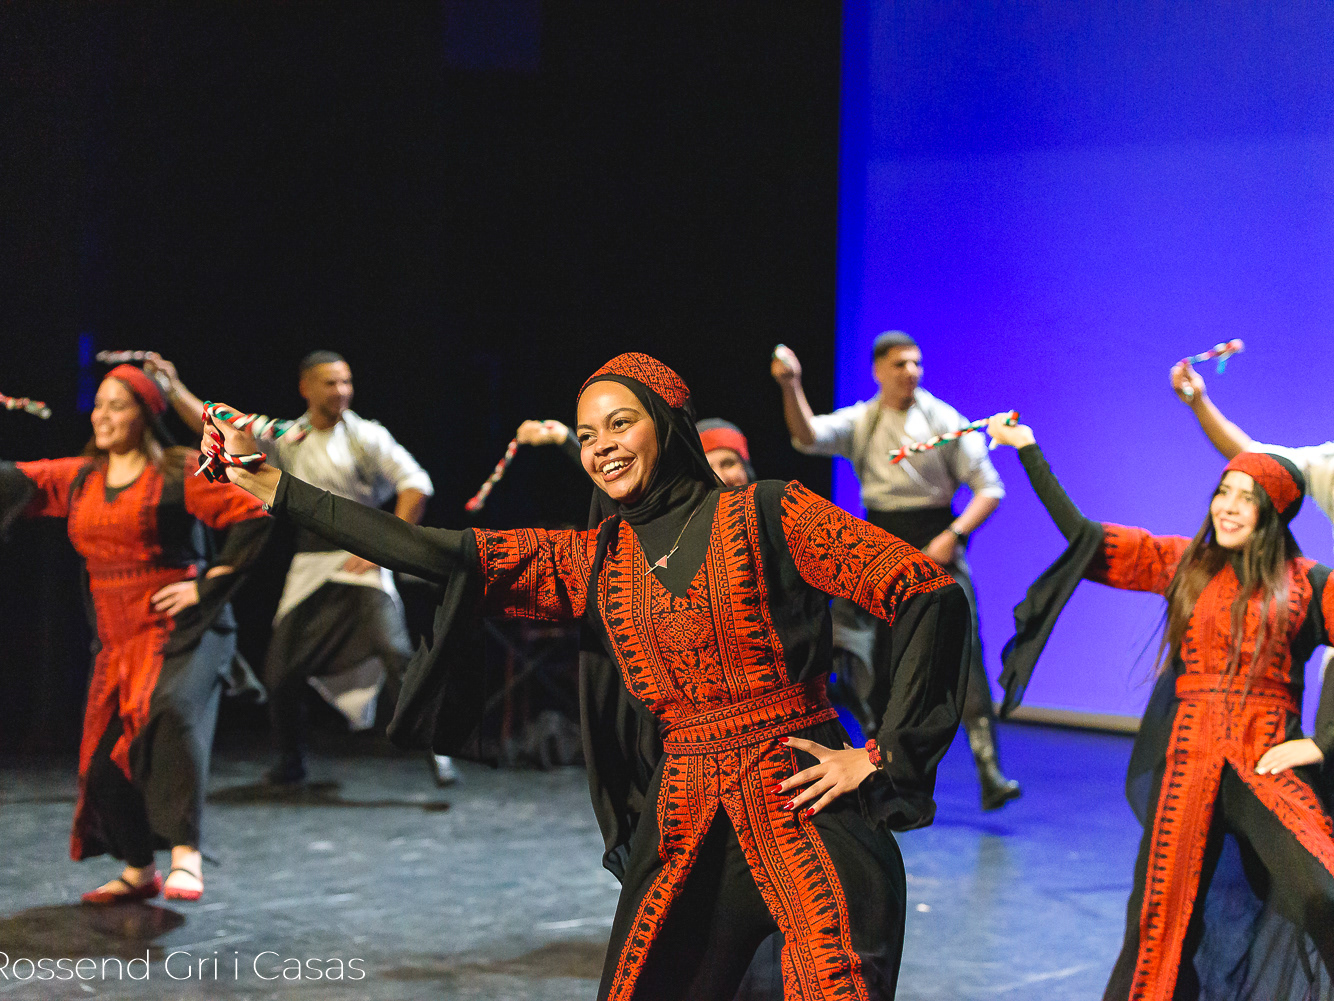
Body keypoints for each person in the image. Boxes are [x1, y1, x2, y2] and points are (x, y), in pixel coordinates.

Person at [211, 352, 969, 1000]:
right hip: (687, 822)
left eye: (619, 423)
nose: (601, 446)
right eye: (586, 434)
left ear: (666, 423)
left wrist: (882, 754)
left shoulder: (770, 512)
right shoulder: (594, 561)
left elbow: (926, 591)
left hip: (804, 803)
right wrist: (272, 486)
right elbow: (434, 551)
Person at [988, 413, 1334, 1000]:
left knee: (1322, 889)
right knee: (1161, 925)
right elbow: (1086, 538)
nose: (1227, 507)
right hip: (1188, 760)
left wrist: (1323, 743)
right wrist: (1028, 450)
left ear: (1274, 513)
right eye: (1223, 492)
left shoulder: (1309, 583)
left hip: (1265, 760)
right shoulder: (1185, 563)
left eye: (1246, 499)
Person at [0, 365, 270, 903]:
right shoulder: (81, 477)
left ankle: (186, 855)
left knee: (170, 715)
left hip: (182, 631)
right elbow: (14, 479)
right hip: (117, 638)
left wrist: (207, 584)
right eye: (99, 404)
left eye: (117, 406)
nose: (102, 416)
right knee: (102, 763)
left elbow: (255, 508)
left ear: (144, 415)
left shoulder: (177, 472)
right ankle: (140, 869)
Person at [147, 352, 450, 786]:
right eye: (330, 383)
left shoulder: (367, 435)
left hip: (360, 560)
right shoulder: (289, 437)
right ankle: (291, 760)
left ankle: (436, 746)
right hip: (310, 562)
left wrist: (388, 547)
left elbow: (416, 484)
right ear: (305, 388)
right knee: (280, 671)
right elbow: (220, 425)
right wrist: (173, 387)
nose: (341, 391)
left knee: (395, 651)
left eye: (346, 382)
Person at [772, 333, 1019, 809]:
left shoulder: (943, 419)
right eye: (901, 364)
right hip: (879, 545)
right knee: (868, 653)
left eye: (916, 363)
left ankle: (989, 769)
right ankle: (879, 766)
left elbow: (989, 488)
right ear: (879, 370)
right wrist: (792, 384)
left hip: (936, 541)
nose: (911, 372)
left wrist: (954, 534)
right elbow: (807, 436)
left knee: (963, 651)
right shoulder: (864, 420)